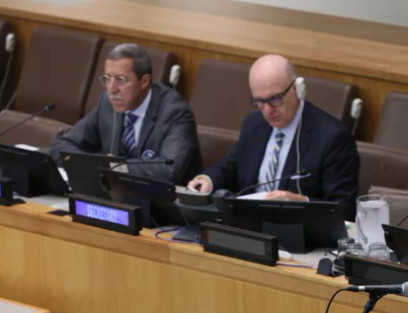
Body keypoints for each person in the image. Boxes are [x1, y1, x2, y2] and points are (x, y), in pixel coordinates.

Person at [187, 54, 359, 220]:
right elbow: (230, 167)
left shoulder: (332, 137)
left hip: (299, 237)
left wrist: (301, 202)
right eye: (260, 102)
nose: (268, 110)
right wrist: (207, 180)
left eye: (275, 99)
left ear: (297, 89)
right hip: (249, 226)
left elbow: (345, 210)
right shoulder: (254, 124)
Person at [50, 43, 202, 185]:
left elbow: (169, 169)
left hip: (161, 204)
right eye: (107, 79)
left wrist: (116, 167)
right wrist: (96, 164)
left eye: (120, 80)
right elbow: (63, 145)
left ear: (144, 81)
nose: (111, 89)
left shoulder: (175, 113)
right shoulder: (107, 102)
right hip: (116, 196)